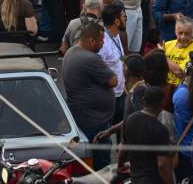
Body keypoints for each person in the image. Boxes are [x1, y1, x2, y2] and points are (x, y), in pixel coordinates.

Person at [62, 22, 118, 169]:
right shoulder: (91, 59)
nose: (103, 43)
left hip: (83, 116)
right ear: (92, 41)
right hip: (95, 122)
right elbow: (113, 80)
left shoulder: (71, 52)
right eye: (101, 40)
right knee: (102, 163)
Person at [119, 85, 174, 184]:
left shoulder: (129, 119)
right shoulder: (160, 130)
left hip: (135, 179)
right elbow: (162, 165)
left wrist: (120, 166)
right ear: (162, 103)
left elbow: (123, 147)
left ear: (143, 101)